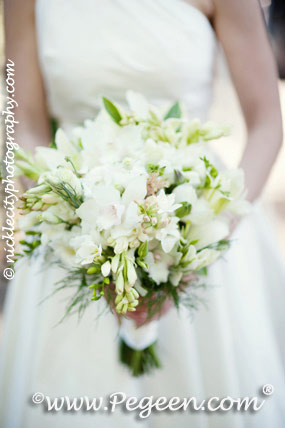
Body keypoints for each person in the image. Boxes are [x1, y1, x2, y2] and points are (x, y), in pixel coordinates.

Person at [1, 0, 285, 427]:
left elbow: (266, 122)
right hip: (76, 234)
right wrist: (74, 221)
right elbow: (24, 123)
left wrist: (201, 241)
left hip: (199, 219)